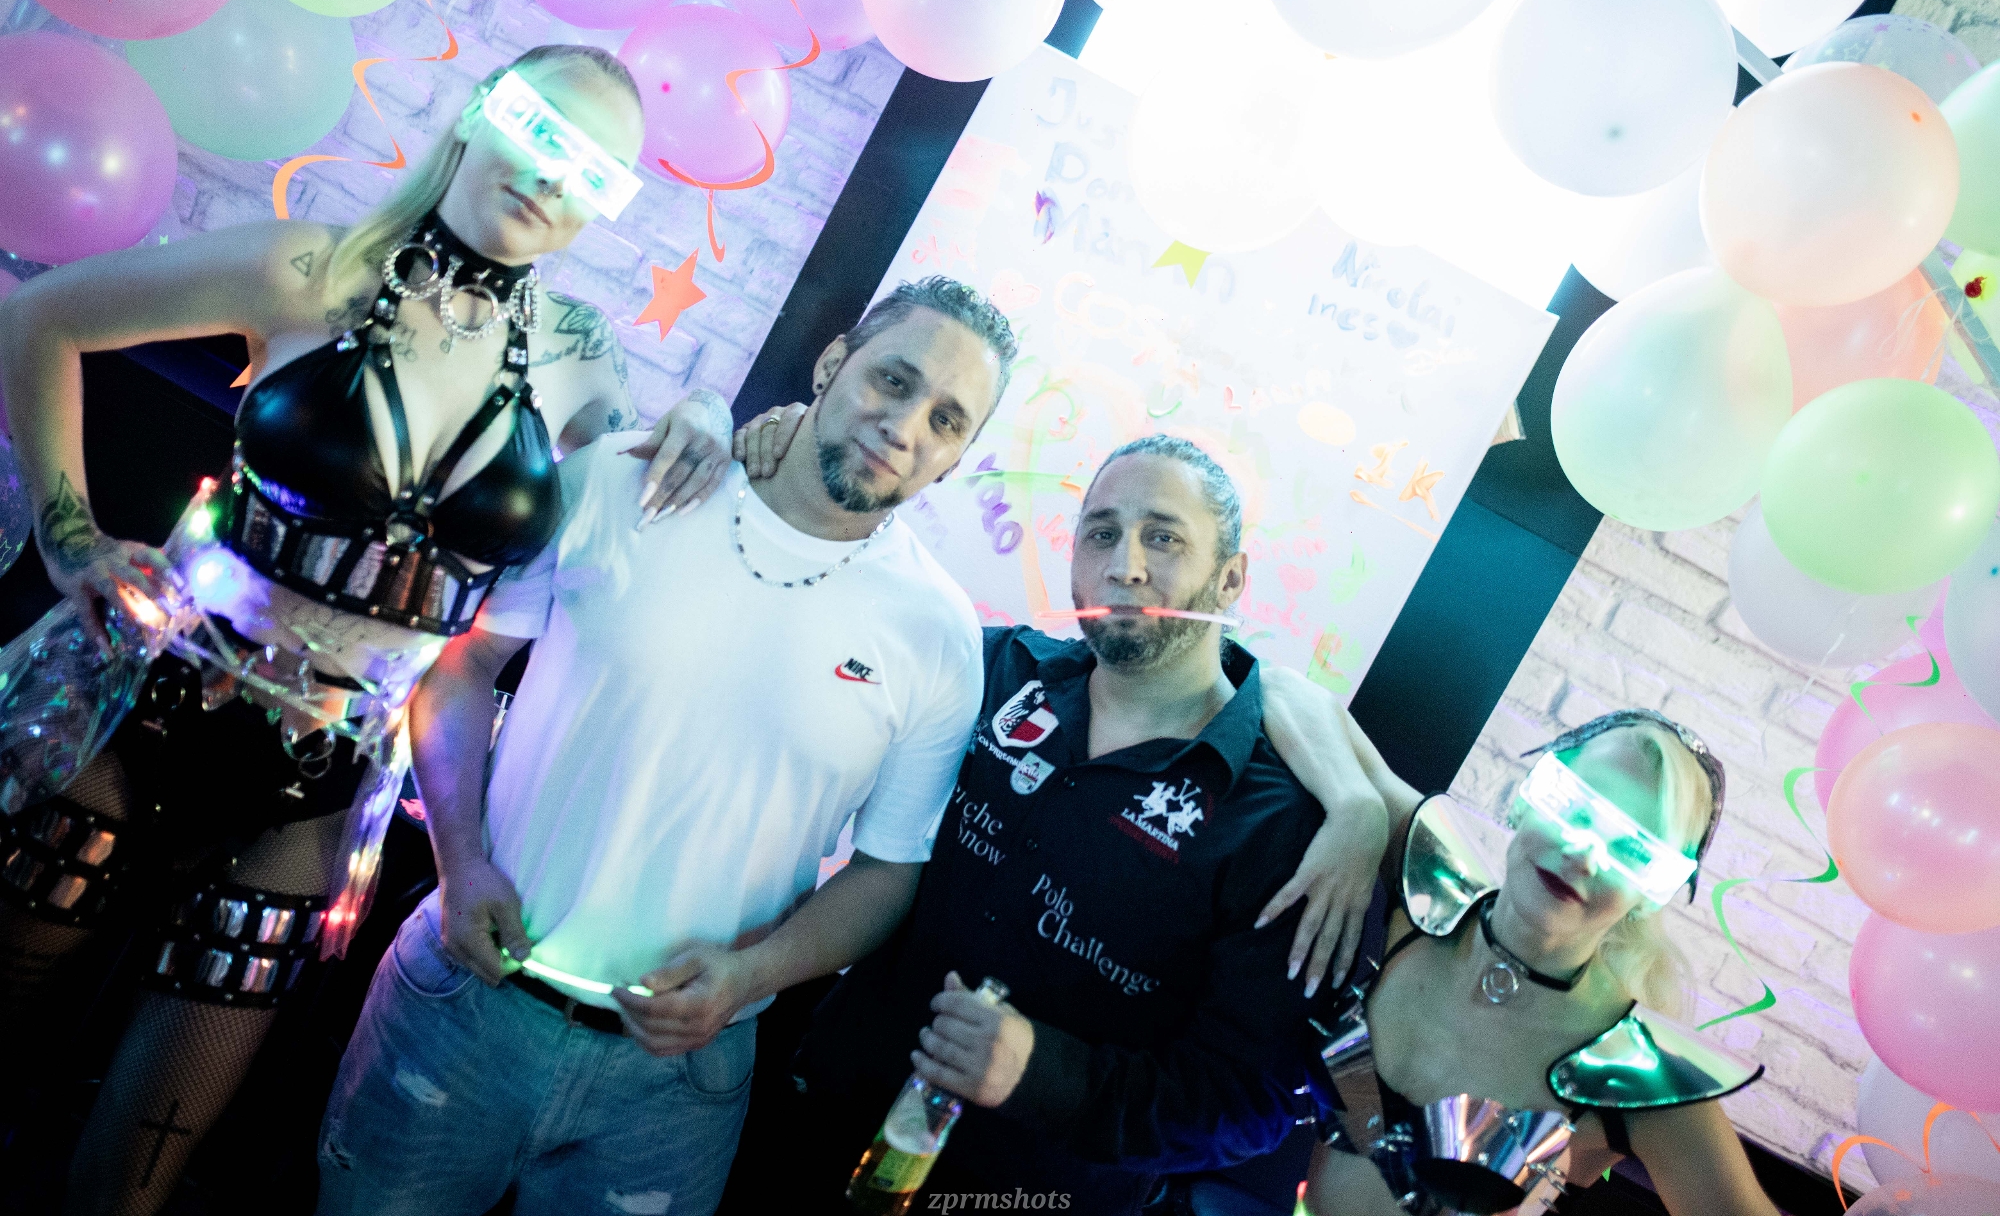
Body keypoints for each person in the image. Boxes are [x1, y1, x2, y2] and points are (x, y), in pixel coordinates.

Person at [0, 44, 735, 1216]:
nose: (552, 178)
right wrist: (71, 539)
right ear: (481, 111)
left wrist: (706, 408)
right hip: (140, 711)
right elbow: (40, 316)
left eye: (594, 173)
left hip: (318, 783)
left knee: (134, 1173)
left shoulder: (578, 355)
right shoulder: (312, 267)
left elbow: (644, 472)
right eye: (541, 132)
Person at [313, 278, 1020, 1216]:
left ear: (958, 454)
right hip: (468, 1001)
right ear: (832, 361)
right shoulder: (621, 476)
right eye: (893, 379)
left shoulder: (940, 633)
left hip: (679, 1081)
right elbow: (463, 666)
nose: (905, 426)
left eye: (946, 419)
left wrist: (751, 977)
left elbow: (888, 869)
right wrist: (461, 860)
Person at [769, 433, 1391, 1215]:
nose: (1123, 564)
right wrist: (776, 455)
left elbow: (1247, 1104)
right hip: (816, 1123)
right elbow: (825, 631)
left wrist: (1041, 1070)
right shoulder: (995, 673)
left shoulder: (1283, 828)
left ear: (1231, 578)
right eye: (1101, 533)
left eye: (1163, 537)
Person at [1260, 678, 1781, 1216]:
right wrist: (1356, 806)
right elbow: (1280, 689)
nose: (1582, 854)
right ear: (1526, 797)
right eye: (1576, 809)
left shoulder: (1631, 1069)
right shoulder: (1432, 884)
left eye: (1630, 849)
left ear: (1653, 894)